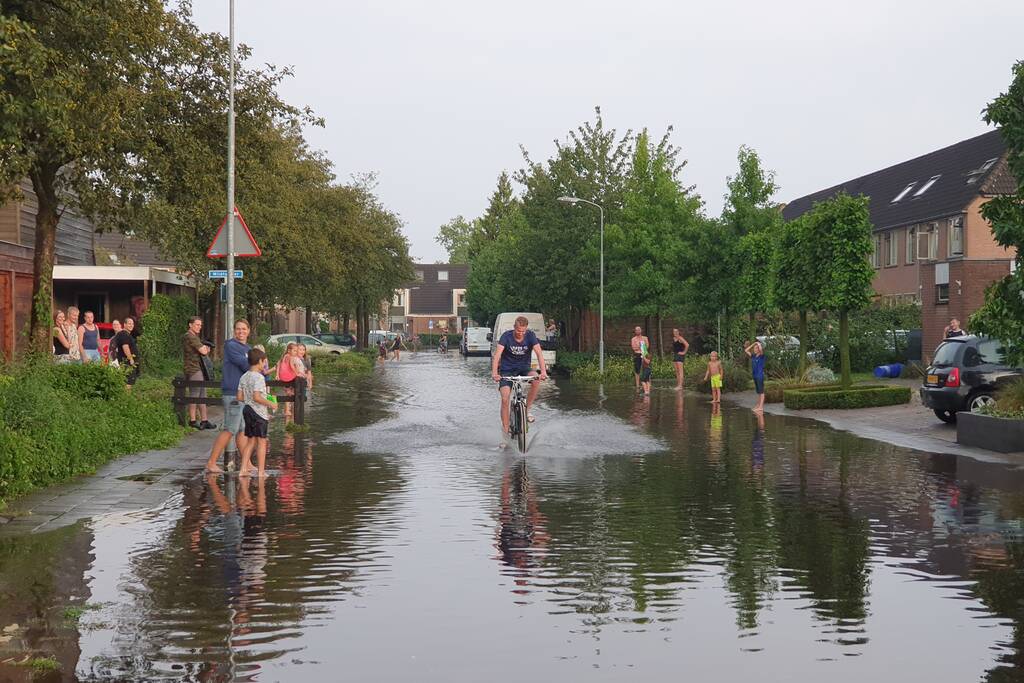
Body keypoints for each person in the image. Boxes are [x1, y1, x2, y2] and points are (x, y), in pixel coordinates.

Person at [205, 319, 255, 474]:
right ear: (234, 331)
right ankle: (211, 462)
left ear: (248, 331)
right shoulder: (231, 345)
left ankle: (247, 464)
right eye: (238, 329)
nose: (241, 332)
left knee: (241, 429)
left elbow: (253, 367)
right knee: (230, 429)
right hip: (233, 393)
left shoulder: (248, 348)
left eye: (244, 329)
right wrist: (258, 364)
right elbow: (246, 365)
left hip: (243, 393)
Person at [491, 315, 548, 439]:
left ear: (526, 329)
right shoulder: (506, 336)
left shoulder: (530, 336)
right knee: (505, 398)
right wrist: (495, 373)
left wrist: (543, 372)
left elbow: (539, 354)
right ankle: (505, 432)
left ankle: (527, 411)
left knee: (536, 379)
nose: (520, 333)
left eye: (523, 331)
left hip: (524, 368)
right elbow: (497, 355)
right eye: (518, 330)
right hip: (507, 370)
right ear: (514, 327)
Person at [237, 348, 277, 478]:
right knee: (262, 442)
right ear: (260, 361)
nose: (265, 364)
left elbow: (239, 397)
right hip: (259, 413)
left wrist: (252, 399)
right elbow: (257, 397)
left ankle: (243, 469)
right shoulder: (259, 377)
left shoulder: (244, 376)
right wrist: (271, 403)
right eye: (264, 362)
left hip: (247, 410)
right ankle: (261, 472)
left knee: (250, 441)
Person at [183, 316, 214, 430]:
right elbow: (203, 351)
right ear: (190, 325)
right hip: (193, 369)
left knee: (202, 395)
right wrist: (205, 349)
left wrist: (205, 349)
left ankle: (204, 420)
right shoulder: (190, 336)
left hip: (198, 368)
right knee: (195, 394)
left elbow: (203, 351)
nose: (199, 327)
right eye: (197, 324)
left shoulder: (193, 336)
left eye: (200, 325)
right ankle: (192, 420)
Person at [113, 316, 140, 389]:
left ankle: (126, 395)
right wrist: (131, 359)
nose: (131, 325)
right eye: (129, 323)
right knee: (128, 382)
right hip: (126, 362)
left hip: (127, 362)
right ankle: (126, 396)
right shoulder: (124, 334)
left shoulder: (126, 334)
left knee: (128, 382)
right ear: (124, 324)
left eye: (132, 324)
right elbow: (125, 347)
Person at [745, 340, 766, 413]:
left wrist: (758, 344)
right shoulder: (753, 356)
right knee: (759, 392)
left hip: (760, 376)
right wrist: (754, 344)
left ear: (759, 349)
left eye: (756, 348)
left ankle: (761, 407)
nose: (754, 349)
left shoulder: (761, 356)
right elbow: (746, 350)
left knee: (761, 392)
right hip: (755, 376)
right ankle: (758, 405)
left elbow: (761, 349)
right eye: (754, 348)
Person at [629, 326, 650, 392]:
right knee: (637, 370)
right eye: (636, 330)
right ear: (635, 331)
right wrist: (641, 346)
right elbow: (634, 347)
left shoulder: (645, 338)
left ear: (641, 330)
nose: (638, 331)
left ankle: (647, 383)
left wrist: (640, 346)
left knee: (646, 369)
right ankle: (637, 385)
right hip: (637, 355)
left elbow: (647, 346)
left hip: (644, 354)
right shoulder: (633, 339)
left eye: (639, 330)